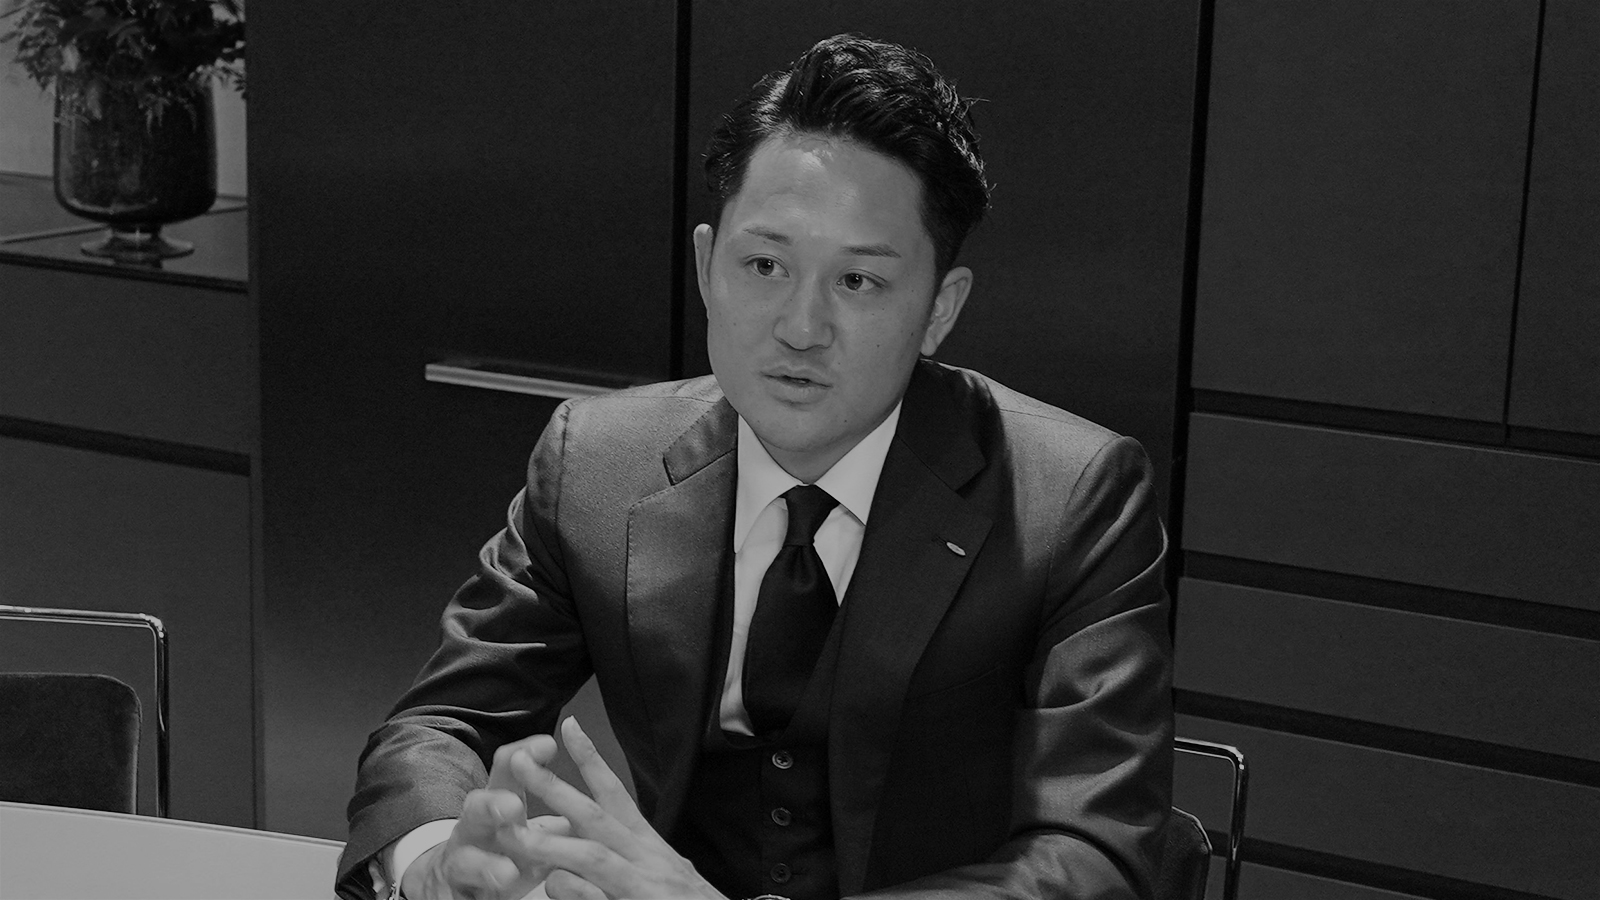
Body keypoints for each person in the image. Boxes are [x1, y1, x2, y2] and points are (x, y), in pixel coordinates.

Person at [338, 33, 1173, 900]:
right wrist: (436, 862)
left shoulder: (1074, 495)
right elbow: (441, 722)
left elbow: (1096, 854)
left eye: (858, 281)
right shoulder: (597, 462)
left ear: (939, 308)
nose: (800, 328)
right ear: (708, 266)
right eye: (765, 265)